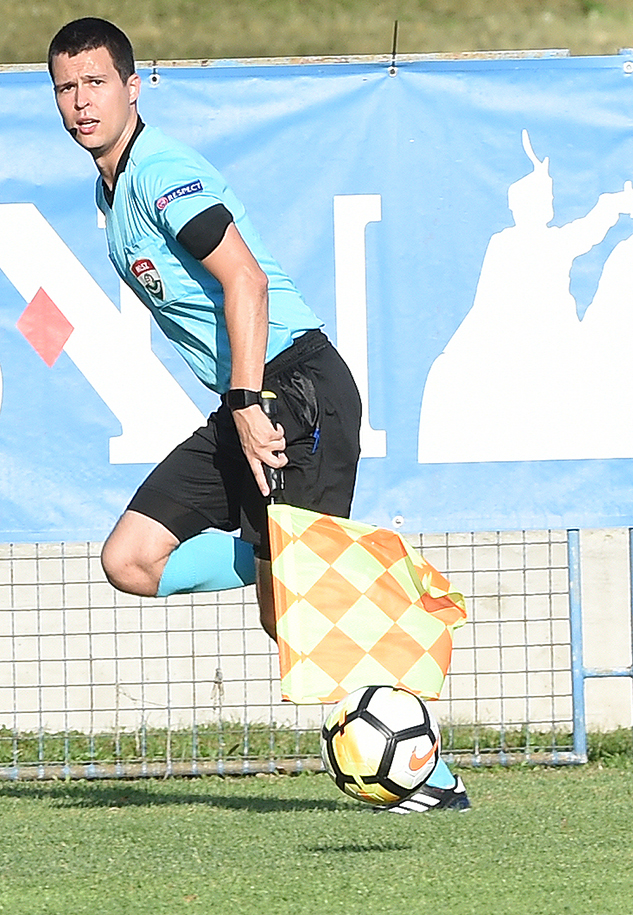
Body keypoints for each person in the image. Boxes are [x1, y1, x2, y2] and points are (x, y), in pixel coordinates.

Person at [47, 17, 466, 813]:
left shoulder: (161, 172)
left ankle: (427, 773)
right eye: (66, 88)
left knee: (297, 620)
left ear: (133, 88)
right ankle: (291, 559)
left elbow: (247, 282)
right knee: (130, 559)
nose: (81, 101)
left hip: (291, 386)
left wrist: (243, 402)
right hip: (245, 393)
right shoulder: (111, 188)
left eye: (96, 82)